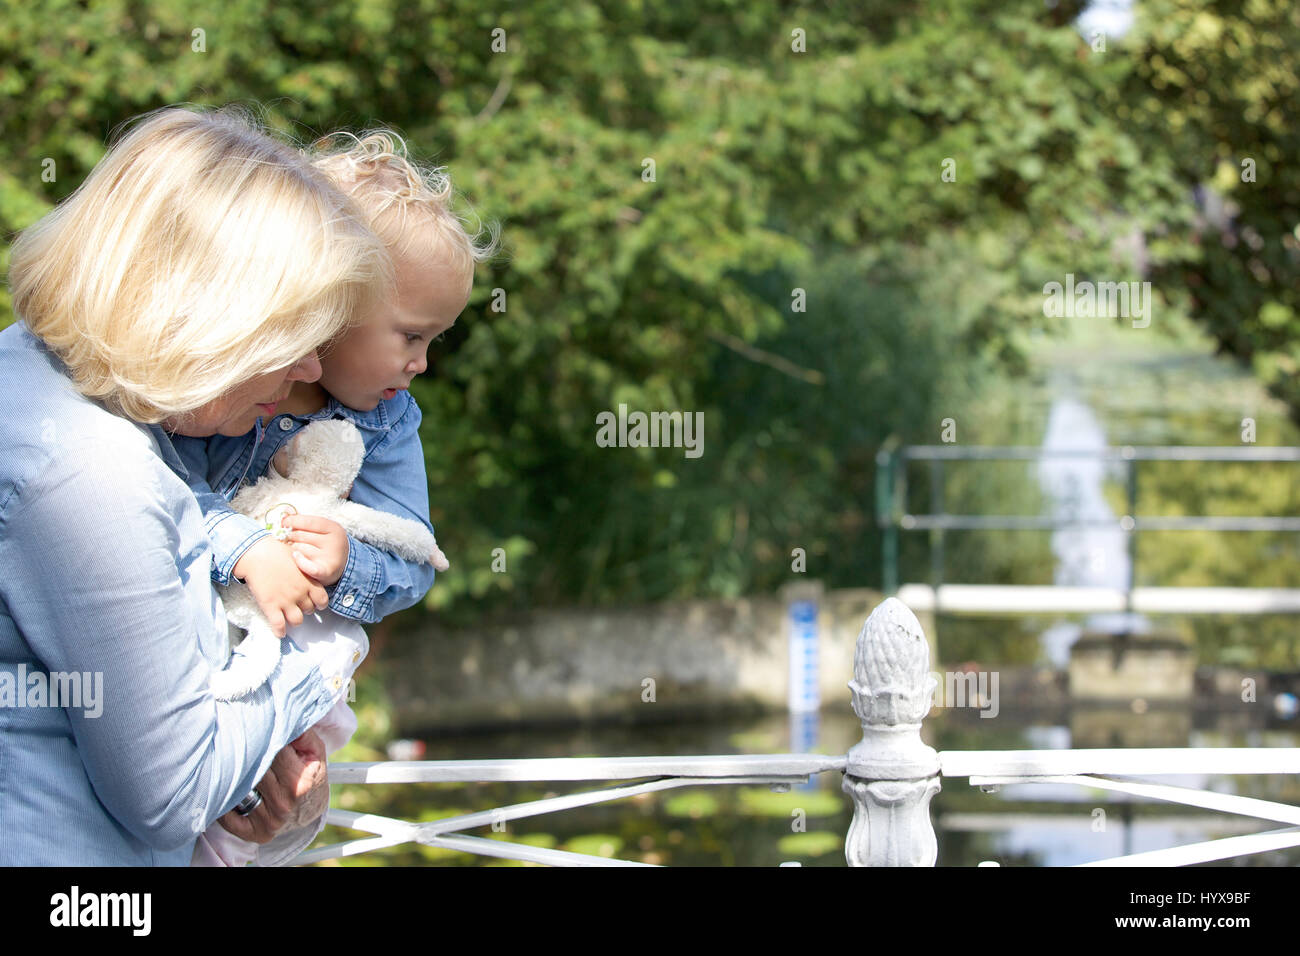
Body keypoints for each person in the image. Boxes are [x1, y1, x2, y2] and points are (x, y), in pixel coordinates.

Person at [0, 105, 393, 865]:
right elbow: (175, 792)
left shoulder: (44, 382)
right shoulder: (90, 477)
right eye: (295, 339)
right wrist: (329, 654)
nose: (312, 371)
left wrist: (265, 775)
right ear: (207, 321)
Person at [176, 131, 495, 865]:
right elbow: (166, 496)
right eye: (412, 335)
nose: (421, 364)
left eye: (434, 340)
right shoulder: (229, 383)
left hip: (302, 662)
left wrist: (347, 563)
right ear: (334, 299)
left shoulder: (387, 423)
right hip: (191, 645)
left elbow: (415, 556)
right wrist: (245, 547)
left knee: (286, 803)